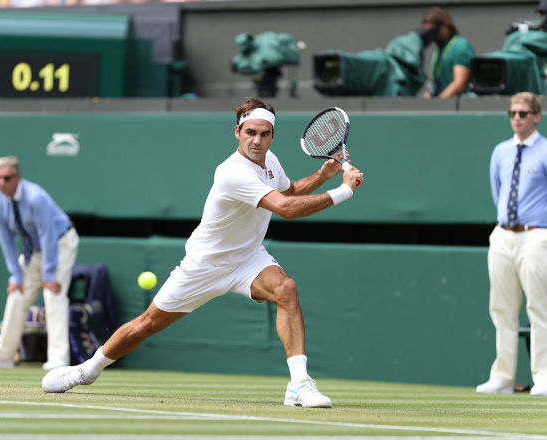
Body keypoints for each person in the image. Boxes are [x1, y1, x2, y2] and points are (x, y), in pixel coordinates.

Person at [42, 98, 364, 408]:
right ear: (237, 132)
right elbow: (286, 208)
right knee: (147, 325)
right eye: (250, 132)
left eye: (264, 134)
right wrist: (343, 190)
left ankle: (298, 384)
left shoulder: (270, 162)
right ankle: (88, 370)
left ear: (272, 136)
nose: (257, 140)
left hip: (248, 258)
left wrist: (323, 175)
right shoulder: (231, 171)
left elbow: (288, 191)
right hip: (205, 265)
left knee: (286, 289)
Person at [0, 156, 79, 371]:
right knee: (16, 294)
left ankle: (58, 358)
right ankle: (3, 355)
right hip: (33, 251)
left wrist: (48, 274)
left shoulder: (35, 197)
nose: (1, 182)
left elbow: (48, 234)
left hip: (60, 243)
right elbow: (6, 240)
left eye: (7, 178)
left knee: (53, 294)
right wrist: (16, 275)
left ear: (17, 177)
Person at [476, 92, 547, 397]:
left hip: (537, 234)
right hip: (504, 233)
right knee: (501, 308)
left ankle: (543, 375)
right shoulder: (501, 151)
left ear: (536, 116)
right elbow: (498, 192)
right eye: (512, 113)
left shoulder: (545, 150)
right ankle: (503, 377)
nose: (516, 118)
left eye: (523, 113)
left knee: (539, 306)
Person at [421, 6, 475, 98]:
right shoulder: (438, 51)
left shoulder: (460, 46)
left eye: (432, 31)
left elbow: (459, 83)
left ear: (444, 27)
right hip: (442, 104)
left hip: (459, 106)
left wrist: (439, 102)